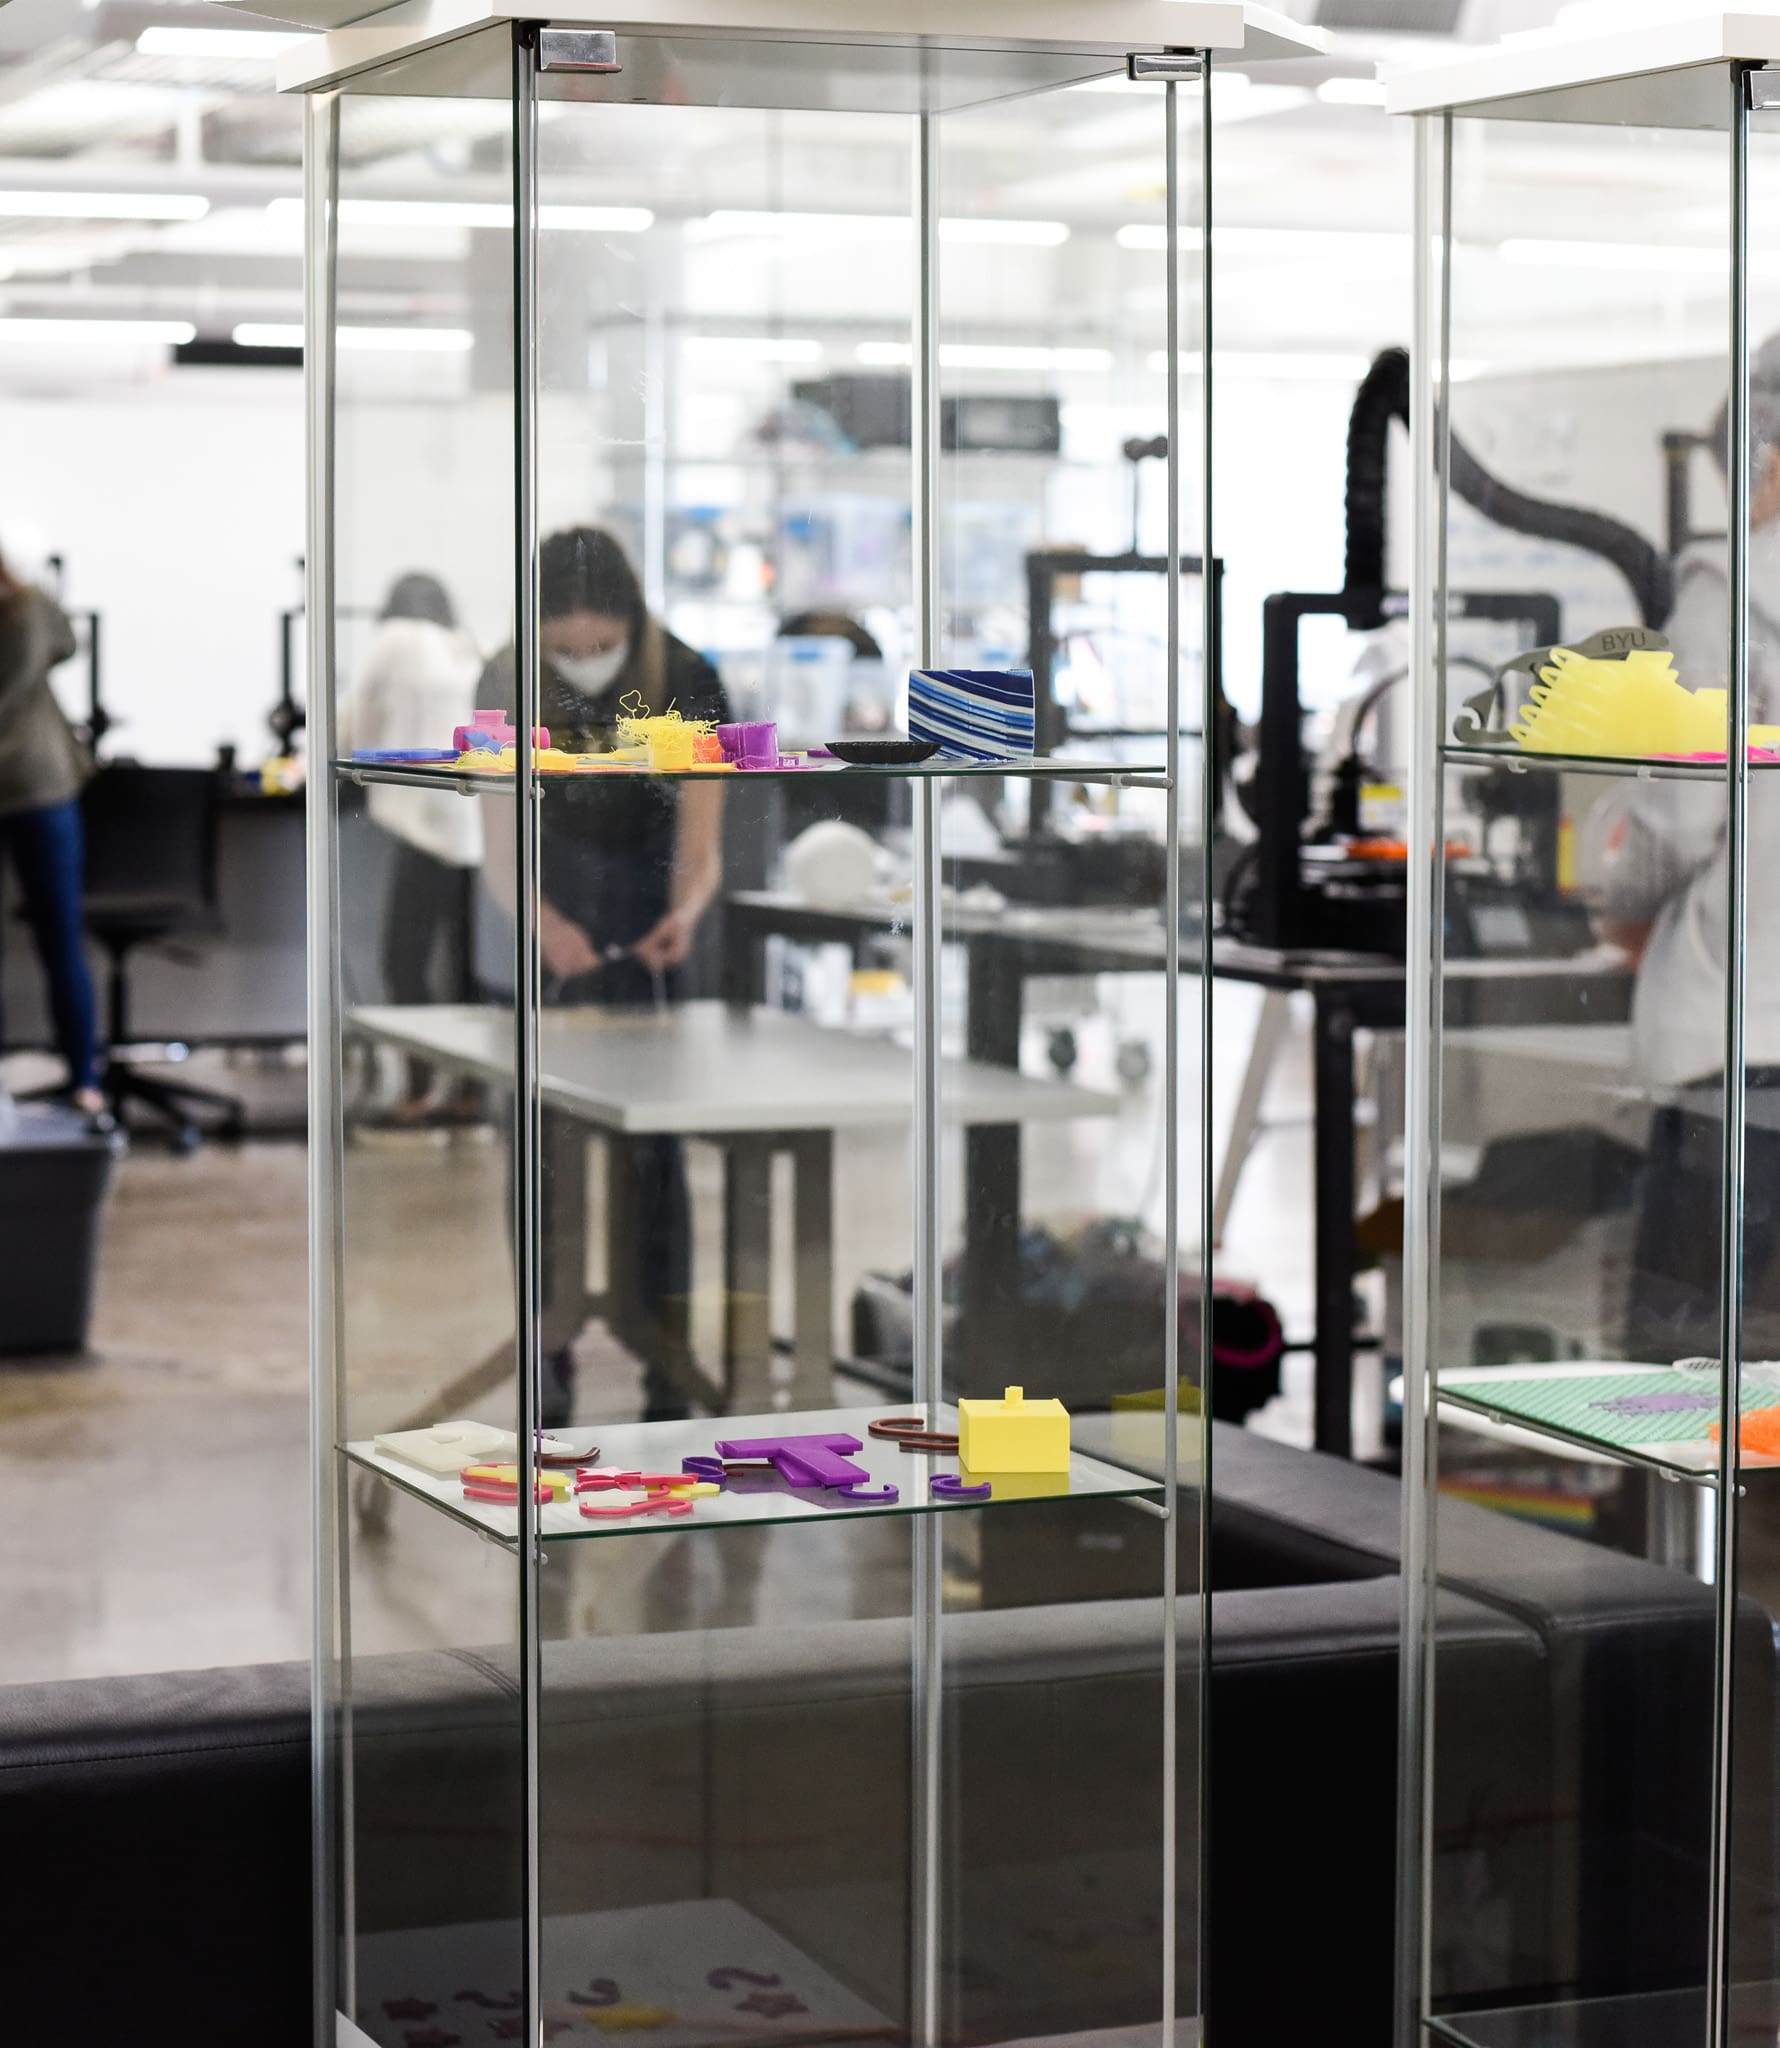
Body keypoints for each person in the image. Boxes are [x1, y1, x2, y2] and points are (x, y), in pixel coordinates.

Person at [483, 527, 728, 1423]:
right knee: (538, 1160)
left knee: (654, 1163)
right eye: (566, 648)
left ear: (631, 624)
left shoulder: (688, 676)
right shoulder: (506, 677)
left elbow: (702, 840)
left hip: (646, 932)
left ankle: (667, 1363)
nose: (583, 661)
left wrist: (686, 914)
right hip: (544, 928)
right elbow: (499, 844)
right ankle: (549, 1366)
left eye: (599, 646)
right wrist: (542, 922)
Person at [1582, 334, 1780, 1358]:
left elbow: (1679, 817)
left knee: (1680, 1362)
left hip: (1741, 1044)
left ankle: (1679, 1526)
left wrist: (1604, 879)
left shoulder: (1732, 592)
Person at [339, 572, 484, 1123]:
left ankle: (420, 1088)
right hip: (476, 824)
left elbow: (354, 731)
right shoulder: (464, 646)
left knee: (404, 962)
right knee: (465, 968)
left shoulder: (393, 640)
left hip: (425, 820)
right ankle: (470, 1087)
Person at [0, 550, 102, 1120]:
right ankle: (85, 1080)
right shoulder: (32, 605)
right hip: (41, 783)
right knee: (61, 938)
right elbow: (67, 647)